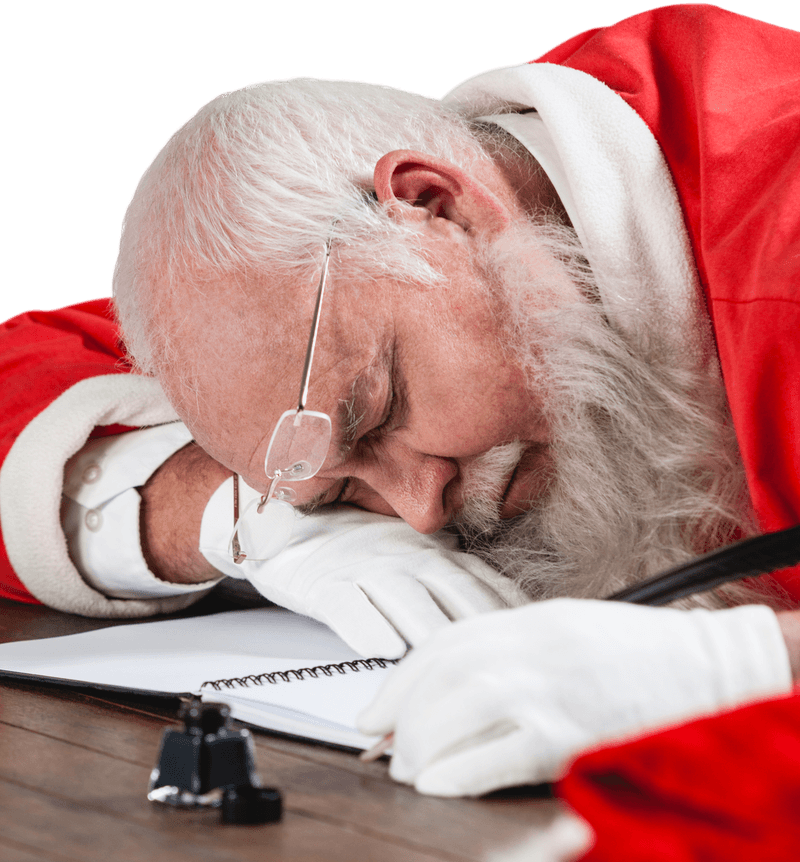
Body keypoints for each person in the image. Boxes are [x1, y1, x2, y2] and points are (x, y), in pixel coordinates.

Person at [1, 3, 799, 794]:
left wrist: (745, 675)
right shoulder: (319, 301)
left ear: (434, 204)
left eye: (378, 413)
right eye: (348, 486)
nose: (421, 511)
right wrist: (243, 517)